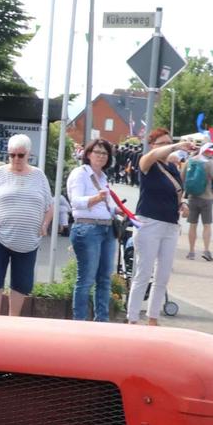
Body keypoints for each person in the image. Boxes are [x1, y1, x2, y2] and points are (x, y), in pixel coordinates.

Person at [0, 133, 53, 317]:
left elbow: (49, 206)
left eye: (20, 155)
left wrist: (45, 224)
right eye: (12, 155)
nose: (16, 159)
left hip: (28, 239)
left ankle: (14, 320)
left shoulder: (39, 176)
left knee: (22, 282)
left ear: (28, 154)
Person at [125, 128, 184, 326]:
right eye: (163, 143)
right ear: (153, 146)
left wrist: (182, 205)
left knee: (163, 275)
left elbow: (177, 193)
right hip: (149, 222)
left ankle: (153, 318)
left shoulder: (172, 167)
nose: (167, 147)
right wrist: (176, 146)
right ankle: (133, 318)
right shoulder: (147, 162)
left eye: (169, 142)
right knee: (144, 272)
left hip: (170, 224)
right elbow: (152, 157)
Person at [67, 138, 120, 322]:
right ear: (88, 154)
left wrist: (117, 210)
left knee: (104, 279)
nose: (101, 156)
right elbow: (76, 202)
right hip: (87, 228)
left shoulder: (103, 177)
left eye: (105, 153)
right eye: (97, 152)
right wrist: (97, 198)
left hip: (106, 229)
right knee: (86, 279)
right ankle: (80, 321)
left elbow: (105, 206)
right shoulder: (80, 173)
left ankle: (101, 321)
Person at [182, 146, 213, 261]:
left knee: (193, 225)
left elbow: (182, 178)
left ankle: (191, 252)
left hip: (192, 196)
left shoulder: (189, 161)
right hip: (207, 197)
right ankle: (206, 250)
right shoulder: (209, 163)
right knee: (207, 225)